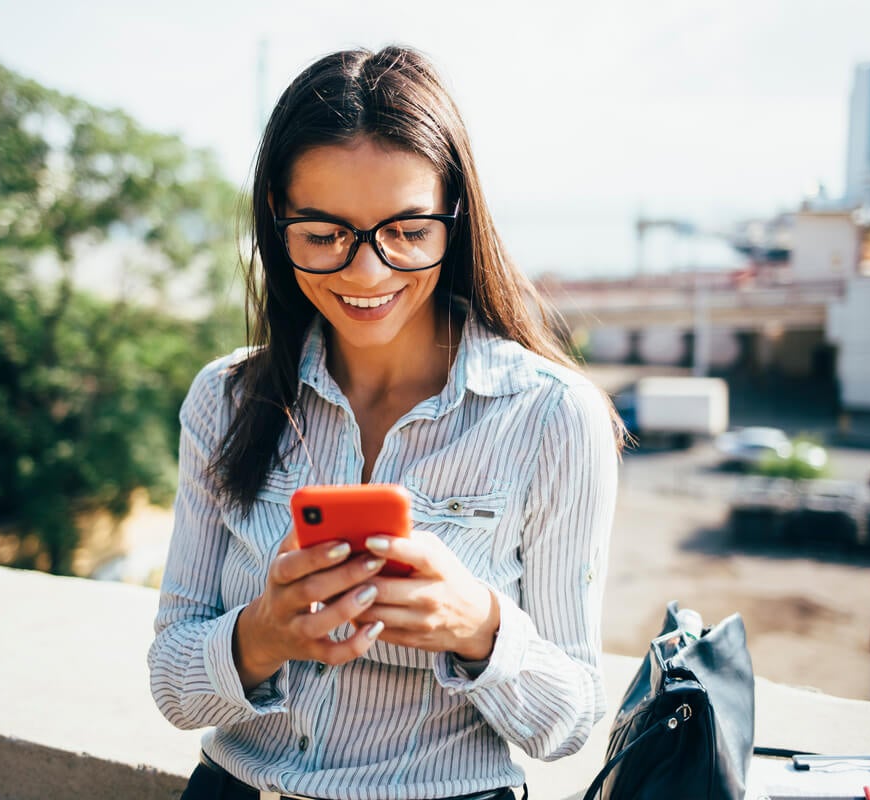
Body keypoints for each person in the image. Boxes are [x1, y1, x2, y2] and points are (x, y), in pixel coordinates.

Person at [148, 45, 622, 800]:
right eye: (324, 234)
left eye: (406, 231)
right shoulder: (226, 400)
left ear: (455, 217)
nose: (367, 273)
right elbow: (173, 685)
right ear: (278, 218)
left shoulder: (553, 416)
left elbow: (568, 723)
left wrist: (478, 627)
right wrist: (265, 632)